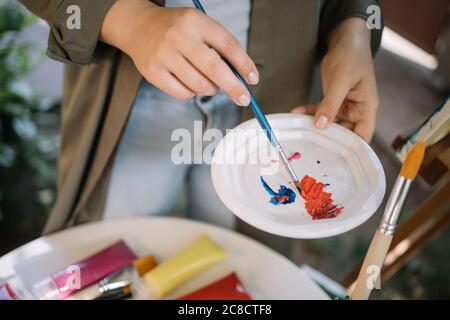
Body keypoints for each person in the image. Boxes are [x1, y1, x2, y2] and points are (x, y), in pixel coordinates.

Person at [19, 0, 383, 255]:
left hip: (274, 103)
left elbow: (354, 4)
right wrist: (127, 19)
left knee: (243, 267)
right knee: (107, 255)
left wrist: (353, 29)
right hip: (133, 85)